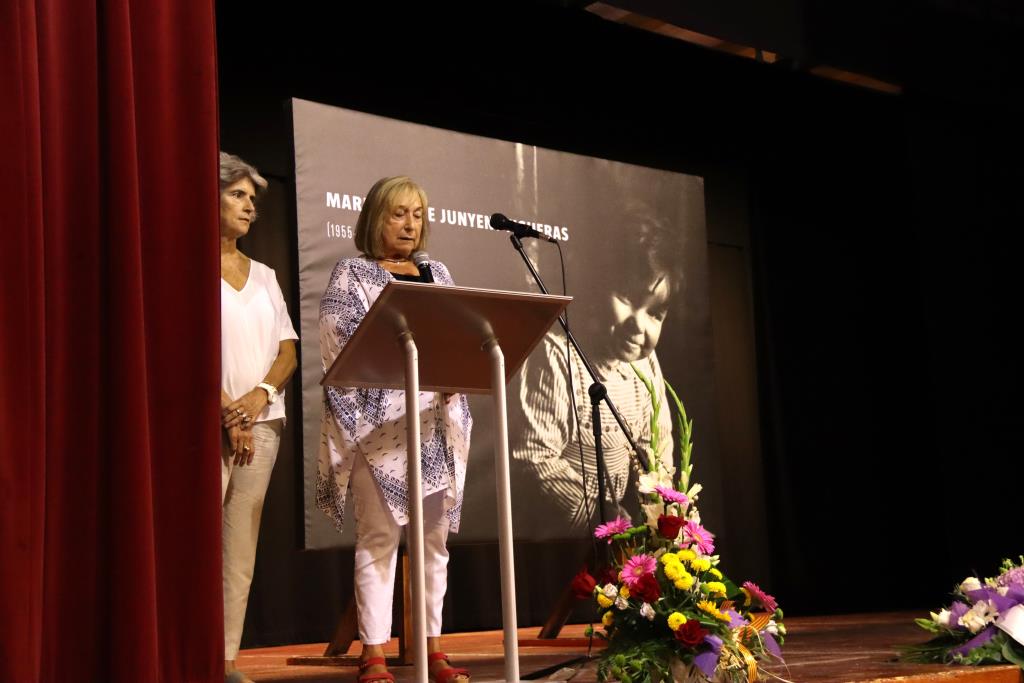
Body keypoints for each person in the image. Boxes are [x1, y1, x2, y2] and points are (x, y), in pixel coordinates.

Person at [317, 176, 472, 683]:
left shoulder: (437, 271)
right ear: (375, 218)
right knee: (379, 537)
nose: (411, 225)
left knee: (432, 543)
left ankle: (434, 647)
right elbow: (340, 352)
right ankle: (375, 652)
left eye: (419, 215)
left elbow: (457, 332)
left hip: (435, 427)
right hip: (378, 428)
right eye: (399, 214)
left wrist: (455, 374)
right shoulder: (352, 274)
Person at [510, 203, 681, 533]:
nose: (638, 325)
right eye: (628, 299)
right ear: (597, 285)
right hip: (560, 536)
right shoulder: (557, 355)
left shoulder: (644, 363)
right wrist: (609, 520)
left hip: (612, 535)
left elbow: (656, 446)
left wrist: (664, 512)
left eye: (655, 314)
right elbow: (534, 458)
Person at [218, 151, 298, 683]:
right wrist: (228, 411)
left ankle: (223, 660)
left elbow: (288, 350)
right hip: (204, 424)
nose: (251, 207)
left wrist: (258, 398)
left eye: (254, 199)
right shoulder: (177, 261)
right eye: (238, 195)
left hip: (262, 426)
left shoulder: (266, 275)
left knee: (239, 549)